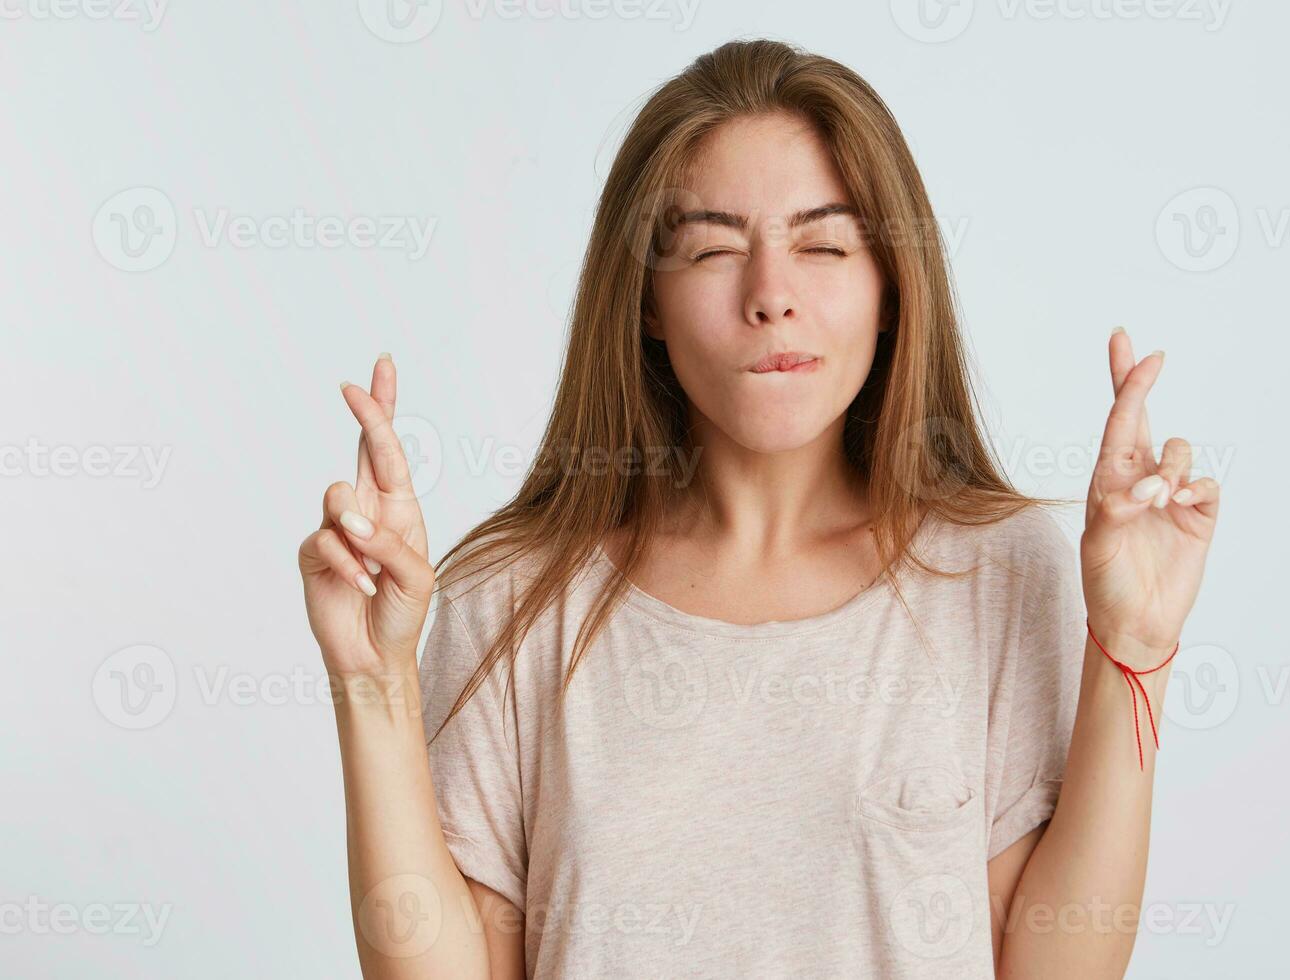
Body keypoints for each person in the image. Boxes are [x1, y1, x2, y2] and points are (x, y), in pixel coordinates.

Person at [297, 38, 1220, 980]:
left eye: (824, 245)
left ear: (892, 286)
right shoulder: (516, 595)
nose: (772, 296)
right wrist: (371, 682)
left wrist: (1134, 646)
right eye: (712, 249)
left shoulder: (997, 569)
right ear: (646, 300)